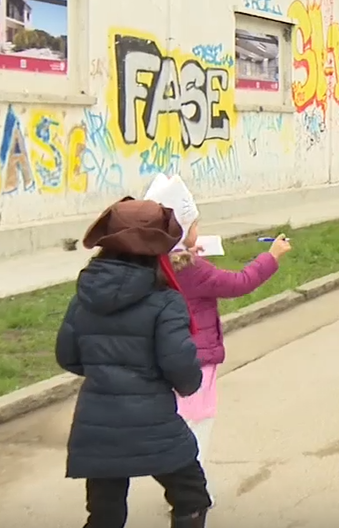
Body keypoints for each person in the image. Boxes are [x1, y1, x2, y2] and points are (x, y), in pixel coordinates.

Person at [56, 197, 210, 528]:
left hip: (95, 426)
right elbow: (180, 367)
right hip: (153, 423)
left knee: (104, 514)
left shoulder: (83, 297)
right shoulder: (166, 301)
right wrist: (188, 384)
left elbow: (67, 356)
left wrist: (105, 371)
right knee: (191, 497)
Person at [143, 174, 291, 475]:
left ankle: (178, 484)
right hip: (197, 360)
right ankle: (193, 494)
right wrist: (271, 257)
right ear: (182, 230)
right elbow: (240, 282)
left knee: (175, 421)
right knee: (198, 424)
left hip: (162, 359)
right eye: (194, 225)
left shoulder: (154, 264)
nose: (199, 230)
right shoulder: (193, 270)